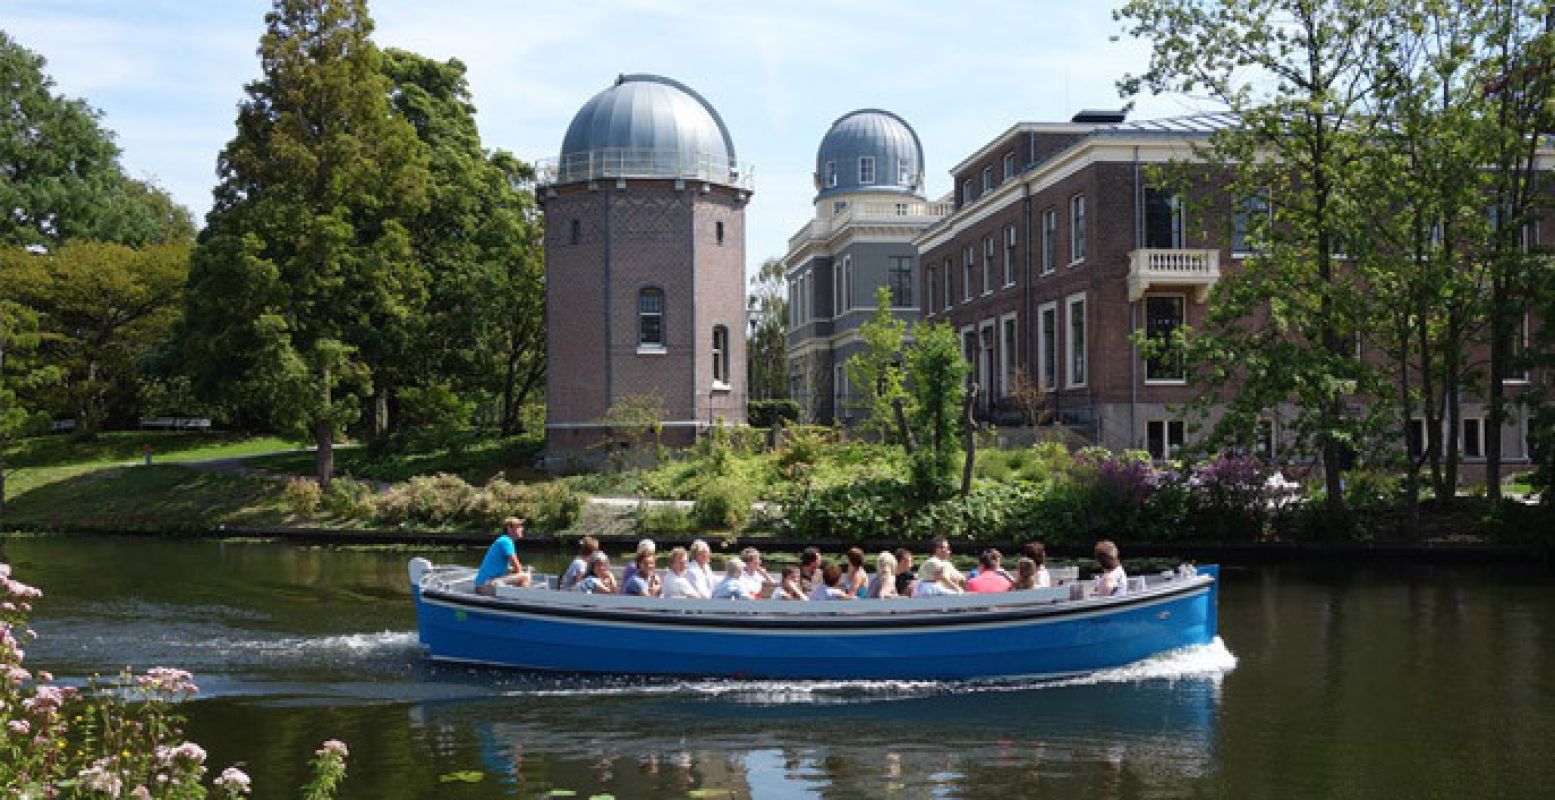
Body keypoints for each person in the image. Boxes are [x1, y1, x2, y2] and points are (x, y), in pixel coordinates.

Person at [474, 517, 532, 596]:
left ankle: (519, 598)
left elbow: (508, 569)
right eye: (518, 526)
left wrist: (518, 570)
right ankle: (525, 601)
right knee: (525, 577)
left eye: (521, 526)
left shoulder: (505, 540)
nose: (522, 528)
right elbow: (518, 568)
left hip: (486, 584)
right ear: (509, 528)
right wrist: (525, 573)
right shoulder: (506, 541)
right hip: (484, 587)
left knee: (521, 576)